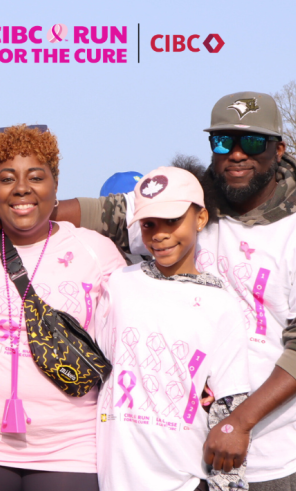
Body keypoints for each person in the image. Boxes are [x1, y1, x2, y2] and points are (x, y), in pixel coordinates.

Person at [0, 92, 296, 490]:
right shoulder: (190, 207)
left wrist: (239, 422)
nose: (237, 154)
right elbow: (104, 214)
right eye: (223, 142)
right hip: (191, 456)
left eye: (253, 142)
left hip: (282, 450)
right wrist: (6, 214)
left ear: (279, 149)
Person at [0, 125, 126, 491]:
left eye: (36, 176)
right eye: (6, 178)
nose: (21, 188)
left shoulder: (95, 251)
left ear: (55, 184)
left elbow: (134, 330)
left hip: (72, 445)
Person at [95, 167, 251, 491]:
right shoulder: (119, 284)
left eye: (172, 221)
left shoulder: (221, 304)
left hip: (185, 479)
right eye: (150, 224)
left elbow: (229, 405)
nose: (160, 234)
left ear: (201, 218)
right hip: (113, 479)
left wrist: (230, 484)